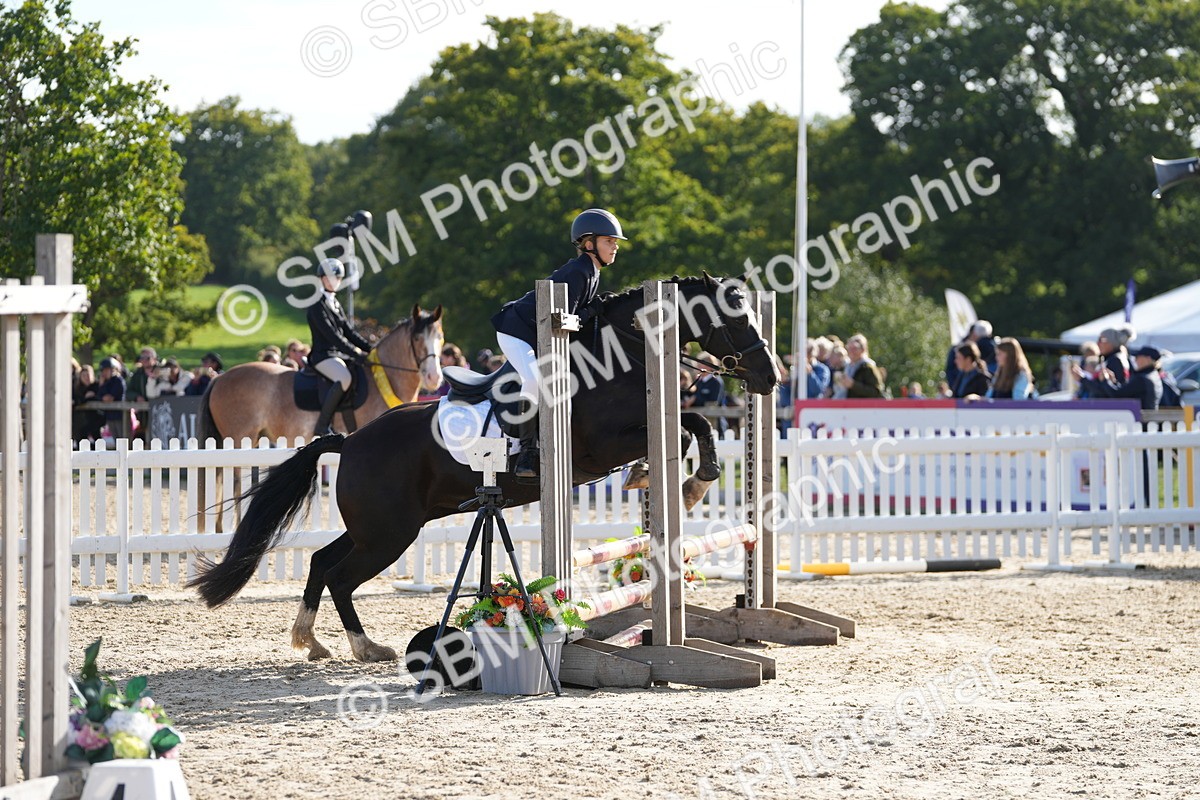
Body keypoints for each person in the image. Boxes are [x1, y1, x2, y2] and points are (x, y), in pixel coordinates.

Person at [491, 208, 625, 481]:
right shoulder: (578, 271)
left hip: (538, 333)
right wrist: (592, 310)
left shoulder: (591, 271)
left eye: (615, 242)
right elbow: (563, 321)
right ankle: (527, 451)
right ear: (589, 244)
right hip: (516, 332)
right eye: (609, 241)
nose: (615, 246)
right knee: (534, 379)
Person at [307, 258, 372, 435]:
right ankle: (322, 426)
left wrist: (371, 349)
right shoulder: (317, 306)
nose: (332, 281)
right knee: (344, 378)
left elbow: (349, 333)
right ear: (321, 279)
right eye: (328, 277)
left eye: (336, 278)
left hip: (337, 355)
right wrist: (356, 353)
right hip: (323, 356)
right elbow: (333, 337)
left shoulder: (335, 304)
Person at [1075, 345, 1162, 410]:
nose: (1135, 360)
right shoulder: (1151, 375)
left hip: (1141, 422)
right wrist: (1113, 382)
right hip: (1147, 421)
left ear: (1147, 359)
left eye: (1138, 357)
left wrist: (1106, 380)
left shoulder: (1143, 378)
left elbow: (1117, 395)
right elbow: (1125, 392)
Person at [838, 334, 885, 398]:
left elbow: (876, 391)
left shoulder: (868, 368)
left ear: (863, 349)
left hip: (862, 404)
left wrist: (853, 385)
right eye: (849, 348)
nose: (851, 351)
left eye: (854, 348)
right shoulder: (846, 367)